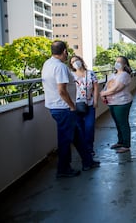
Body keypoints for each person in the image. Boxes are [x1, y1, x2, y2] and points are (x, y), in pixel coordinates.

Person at [42, 41, 97, 178]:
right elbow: (61, 90)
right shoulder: (59, 67)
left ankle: (87, 161)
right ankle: (63, 169)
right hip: (63, 108)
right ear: (64, 51)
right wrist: (72, 106)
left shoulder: (47, 64)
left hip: (55, 107)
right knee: (65, 139)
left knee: (77, 136)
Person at [100, 56, 133, 153]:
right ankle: (120, 141)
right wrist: (103, 93)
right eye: (116, 61)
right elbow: (106, 86)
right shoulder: (113, 75)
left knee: (123, 123)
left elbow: (117, 88)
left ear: (125, 64)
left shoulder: (124, 75)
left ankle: (126, 145)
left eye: (119, 62)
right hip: (112, 102)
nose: (117, 63)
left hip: (122, 102)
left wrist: (103, 94)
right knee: (118, 123)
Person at [69, 55, 99, 157]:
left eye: (76, 60)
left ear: (81, 61)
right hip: (75, 105)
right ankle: (83, 150)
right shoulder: (71, 75)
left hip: (89, 104)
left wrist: (95, 101)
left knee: (89, 127)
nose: (75, 63)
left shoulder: (90, 73)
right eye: (72, 62)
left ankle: (89, 148)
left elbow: (95, 88)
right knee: (80, 128)